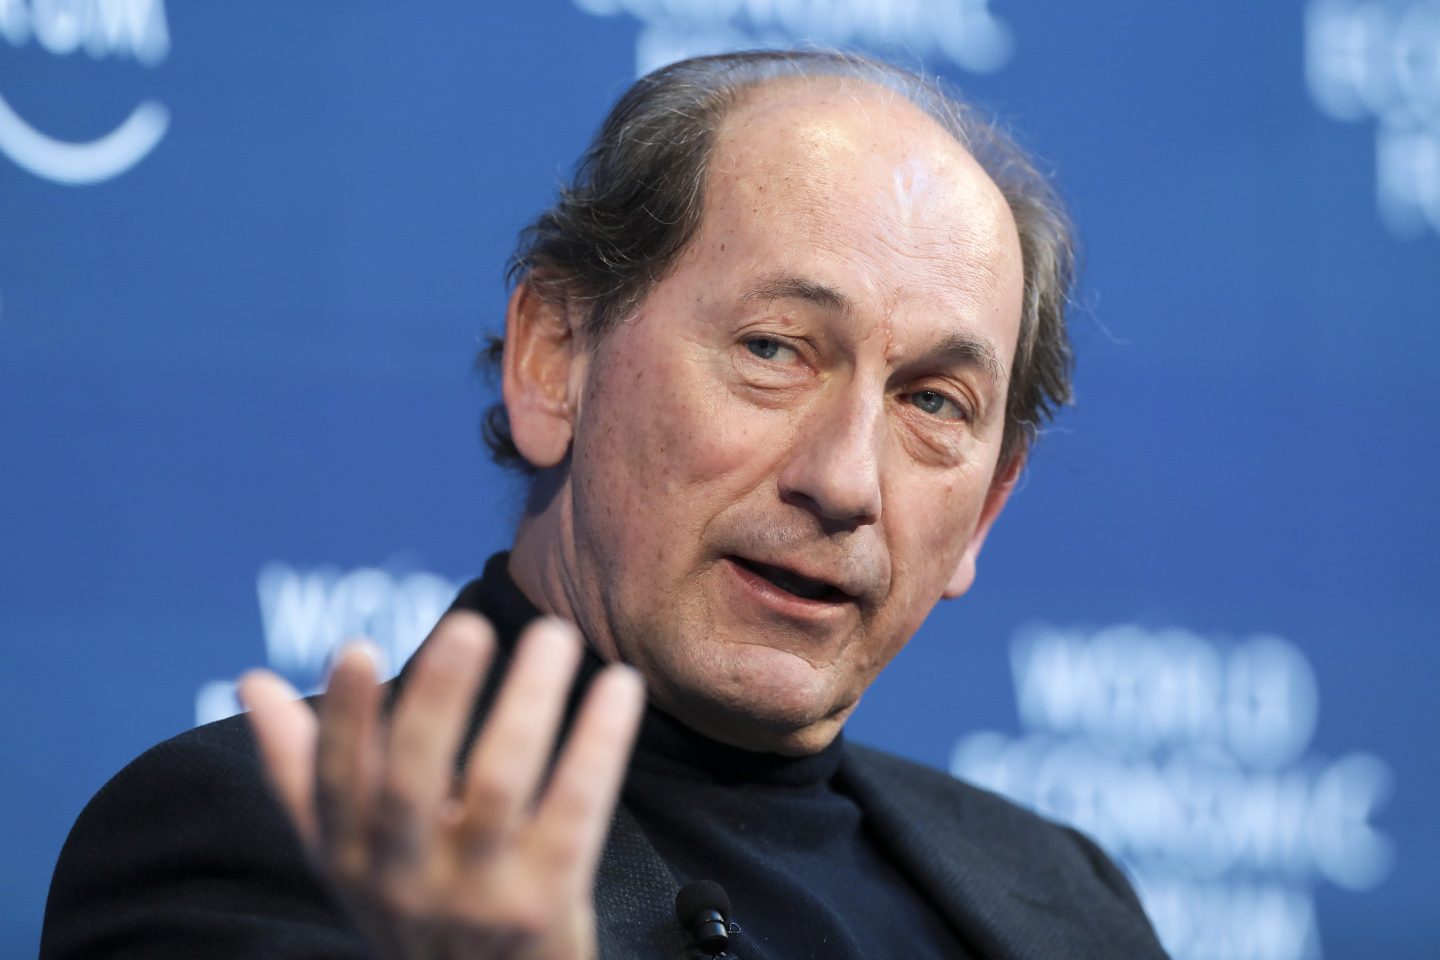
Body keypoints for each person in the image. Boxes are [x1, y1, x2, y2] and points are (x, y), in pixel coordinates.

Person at [42, 49, 1170, 959]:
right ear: (554, 360)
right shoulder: (276, 844)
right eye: (774, 349)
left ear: (988, 509)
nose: (843, 481)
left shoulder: (1068, 896)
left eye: (932, 401)